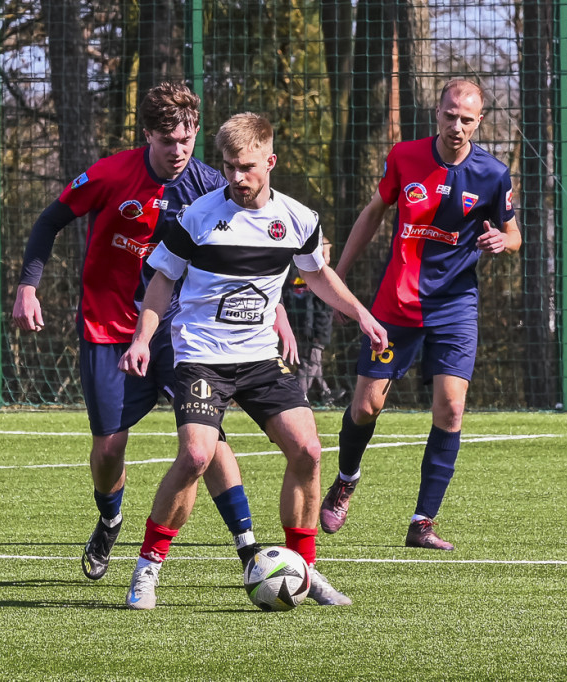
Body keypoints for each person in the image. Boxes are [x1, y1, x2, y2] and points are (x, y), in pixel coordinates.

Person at [13, 83, 297, 580]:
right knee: (108, 448)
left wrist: (278, 316)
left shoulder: (211, 187)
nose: (179, 152)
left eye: (187, 142)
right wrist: (27, 286)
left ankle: (248, 545)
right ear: (147, 135)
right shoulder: (110, 174)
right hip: (107, 327)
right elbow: (50, 219)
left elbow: (254, 259)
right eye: (168, 142)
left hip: (179, 331)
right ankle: (110, 517)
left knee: (206, 439)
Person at [118, 113, 388, 610]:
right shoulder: (196, 217)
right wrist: (141, 339)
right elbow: (160, 282)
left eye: (245, 167)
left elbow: (319, 275)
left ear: (270, 161)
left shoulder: (298, 219)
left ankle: (302, 570)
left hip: (260, 357)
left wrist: (362, 314)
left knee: (307, 450)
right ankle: (147, 569)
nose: (236, 178)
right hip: (200, 356)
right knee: (197, 456)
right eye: (227, 167)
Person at [319, 79, 521, 550]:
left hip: (455, 305)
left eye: (466, 119)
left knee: (451, 408)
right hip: (397, 302)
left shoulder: (493, 173)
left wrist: (502, 241)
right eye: (450, 115)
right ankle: (346, 479)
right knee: (367, 405)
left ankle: (422, 522)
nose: (456, 125)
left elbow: (514, 235)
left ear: (479, 122)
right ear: (437, 111)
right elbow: (372, 214)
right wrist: (338, 278)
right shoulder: (405, 157)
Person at [284, 239, 346, 406]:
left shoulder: (294, 271)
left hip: (299, 325)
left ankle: (325, 393)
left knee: (313, 362)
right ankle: (296, 398)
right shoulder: (319, 276)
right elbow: (319, 310)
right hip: (312, 329)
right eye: (326, 253)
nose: (328, 258)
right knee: (309, 364)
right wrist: (320, 333)